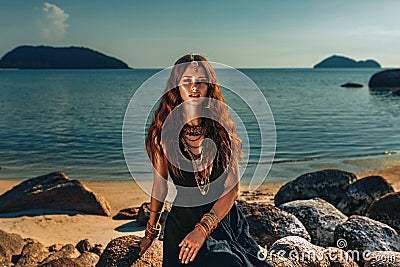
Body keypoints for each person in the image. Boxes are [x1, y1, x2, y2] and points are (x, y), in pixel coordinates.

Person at [137, 54, 270, 266]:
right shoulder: (163, 133)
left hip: (223, 220)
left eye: (200, 82)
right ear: (176, 86)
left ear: (209, 87)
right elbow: (160, 187)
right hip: (182, 222)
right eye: (187, 81)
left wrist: (202, 230)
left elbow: (232, 189)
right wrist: (150, 233)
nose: (194, 88)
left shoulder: (222, 128)